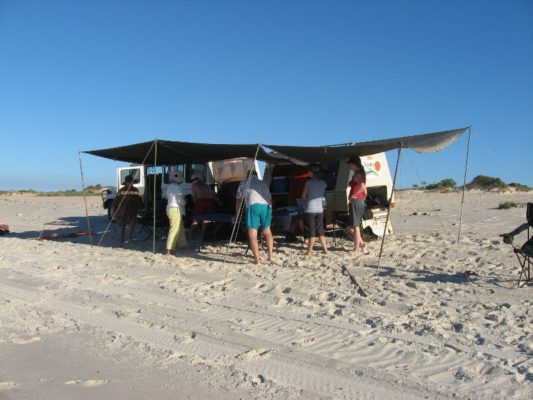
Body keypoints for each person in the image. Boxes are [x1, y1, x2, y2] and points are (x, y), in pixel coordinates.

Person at [236, 170, 273, 265]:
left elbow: (238, 200)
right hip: (266, 206)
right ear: (256, 175)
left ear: (248, 175)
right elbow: (270, 198)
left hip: (253, 205)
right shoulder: (263, 183)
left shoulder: (244, 182)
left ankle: (257, 260)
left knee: (252, 234)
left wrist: (237, 214)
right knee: (267, 231)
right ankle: (270, 256)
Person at [301, 164, 328, 255]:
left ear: (312, 172)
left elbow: (303, 196)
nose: (308, 173)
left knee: (311, 232)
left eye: (309, 171)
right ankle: (325, 250)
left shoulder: (308, 183)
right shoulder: (323, 183)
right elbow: (322, 196)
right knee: (320, 231)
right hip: (320, 209)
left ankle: (309, 251)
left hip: (310, 209)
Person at [113, 175, 142, 243]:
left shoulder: (135, 190)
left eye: (131, 182)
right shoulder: (121, 190)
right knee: (122, 226)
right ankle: (121, 239)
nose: (130, 183)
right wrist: (114, 211)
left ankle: (129, 237)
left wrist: (140, 209)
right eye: (129, 182)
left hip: (133, 210)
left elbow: (138, 200)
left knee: (132, 225)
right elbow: (116, 201)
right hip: (123, 211)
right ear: (126, 183)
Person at [346, 155, 367, 251]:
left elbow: (362, 187)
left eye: (350, 164)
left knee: (356, 226)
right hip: (360, 200)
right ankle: (361, 244)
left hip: (356, 201)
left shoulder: (358, 174)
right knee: (350, 227)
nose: (349, 166)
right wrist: (363, 196)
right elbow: (365, 190)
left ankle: (356, 248)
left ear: (354, 164)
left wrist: (354, 195)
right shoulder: (361, 174)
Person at [163, 171, 188, 255]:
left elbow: (167, 197)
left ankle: (183, 245)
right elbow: (180, 200)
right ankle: (169, 249)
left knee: (180, 228)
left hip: (170, 208)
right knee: (175, 229)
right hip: (175, 209)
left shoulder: (169, 187)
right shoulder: (178, 188)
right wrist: (185, 202)